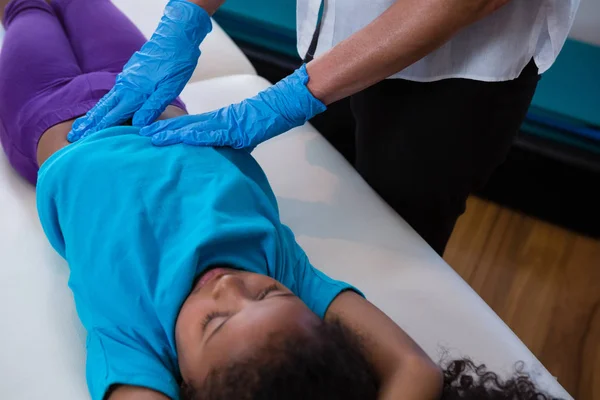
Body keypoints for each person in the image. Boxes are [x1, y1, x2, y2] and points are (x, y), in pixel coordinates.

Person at [0, 1, 564, 400]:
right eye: (264, 293)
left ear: (185, 383)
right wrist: (188, 17)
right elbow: (416, 372)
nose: (229, 289)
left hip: (49, 114)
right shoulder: (285, 270)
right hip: (149, 91)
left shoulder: (134, 336)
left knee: (27, 7)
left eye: (215, 324)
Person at [69, 0, 579, 256]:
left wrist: (292, 98)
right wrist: (187, 15)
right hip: (334, 34)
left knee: (394, 235)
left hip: (454, 70)